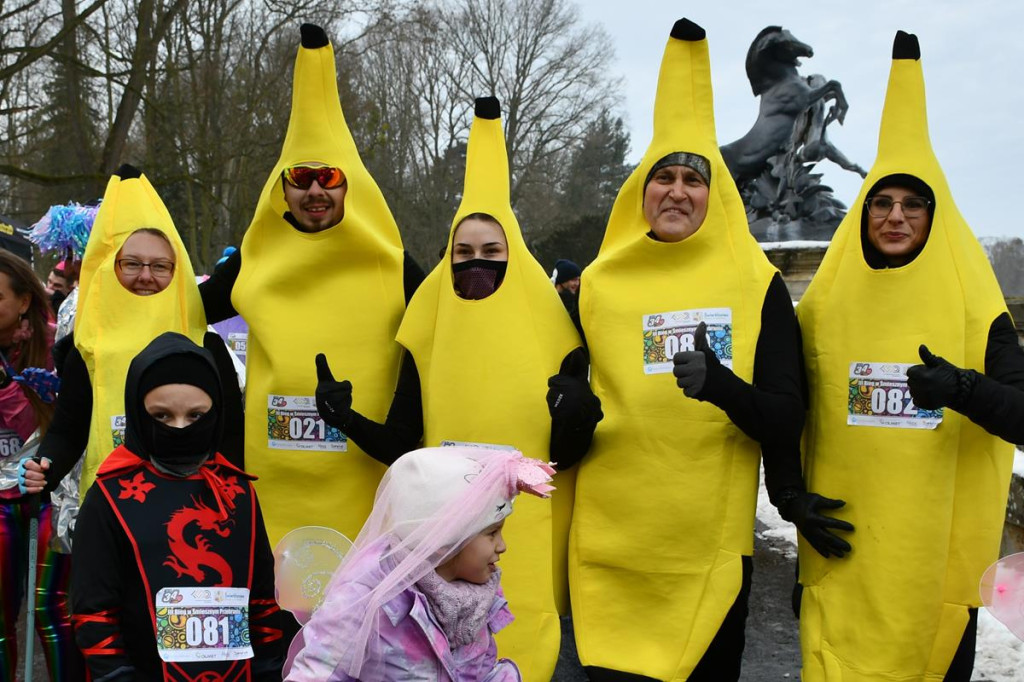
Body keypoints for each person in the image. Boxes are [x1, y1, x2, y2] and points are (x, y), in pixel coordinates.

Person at [567, 20, 847, 681]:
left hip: (706, 561)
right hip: (610, 552)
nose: (677, 191)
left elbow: (784, 414)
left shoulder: (756, 286)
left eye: (694, 180)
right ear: (642, 191)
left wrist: (723, 387)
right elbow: (556, 397)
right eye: (663, 177)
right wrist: (566, 411)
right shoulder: (596, 286)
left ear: (714, 194)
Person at [314, 97, 602, 680]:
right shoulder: (428, 336)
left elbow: (568, 456)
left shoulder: (557, 336)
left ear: (514, 258)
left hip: (525, 541)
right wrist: (346, 420)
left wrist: (580, 416)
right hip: (439, 558)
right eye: (463, 253)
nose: (477, 264)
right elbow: (404, 442)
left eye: (492, 254)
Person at [795, 31, 1024, 681]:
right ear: (864, 213)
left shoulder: (982, 316)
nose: (896, 216)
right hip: (842, 563)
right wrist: (789, 495)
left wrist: (962, 389)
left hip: (934, 582)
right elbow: (784, 407)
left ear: (935, 216)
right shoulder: (821, 310)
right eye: (882, 203)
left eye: (913, 205)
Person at [198, 24, 424, 547]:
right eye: (300, 179)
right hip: (273, 485)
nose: (315, 190)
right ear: (283, 189)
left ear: (351, 185)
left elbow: (453, 325)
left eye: (329, 177)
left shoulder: (391, 263)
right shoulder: (255, 258)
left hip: (364, 483)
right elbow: (182, 311)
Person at [20, 165, 241, 510]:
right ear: (111, 268)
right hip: (113, 510)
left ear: (176, 270)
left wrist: (231, 505)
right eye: (132, 264)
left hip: (194, 512)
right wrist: (44, 468)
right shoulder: (89, 347)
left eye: (160, 265)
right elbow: (68, 431)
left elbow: (230, 439)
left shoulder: (203, 342)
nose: (146, 276)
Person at [71, 332, 285, 681]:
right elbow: (93, 612)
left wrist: (267, 669)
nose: (180, 428)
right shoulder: (110, 496)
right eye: (162, 416)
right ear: (138, 414)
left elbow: (261, 600)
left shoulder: (237, 490)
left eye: (196, 416)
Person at [284, 445, 556, 681]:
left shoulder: (475, 596)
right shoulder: (365, 599)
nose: (502, 546)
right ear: (447, 537)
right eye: (491, 533)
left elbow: (481, 668)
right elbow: (318, 672)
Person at [0, 250, 83, 681]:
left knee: (49, 609)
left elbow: (47, 421)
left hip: (47, 490)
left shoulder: (54, 344)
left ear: (24, 302)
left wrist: (6, 384)